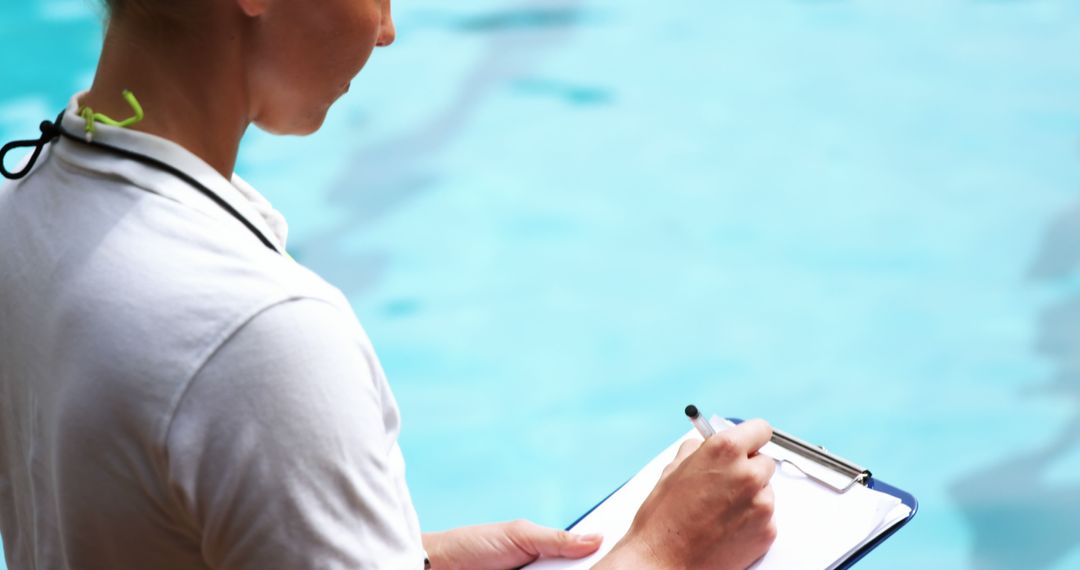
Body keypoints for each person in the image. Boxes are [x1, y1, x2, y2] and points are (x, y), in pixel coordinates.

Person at [0, 0, 777, 568]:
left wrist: (407, 559)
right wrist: (666, 551)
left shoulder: (23, 211)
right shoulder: (262, 332)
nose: (387, 28)